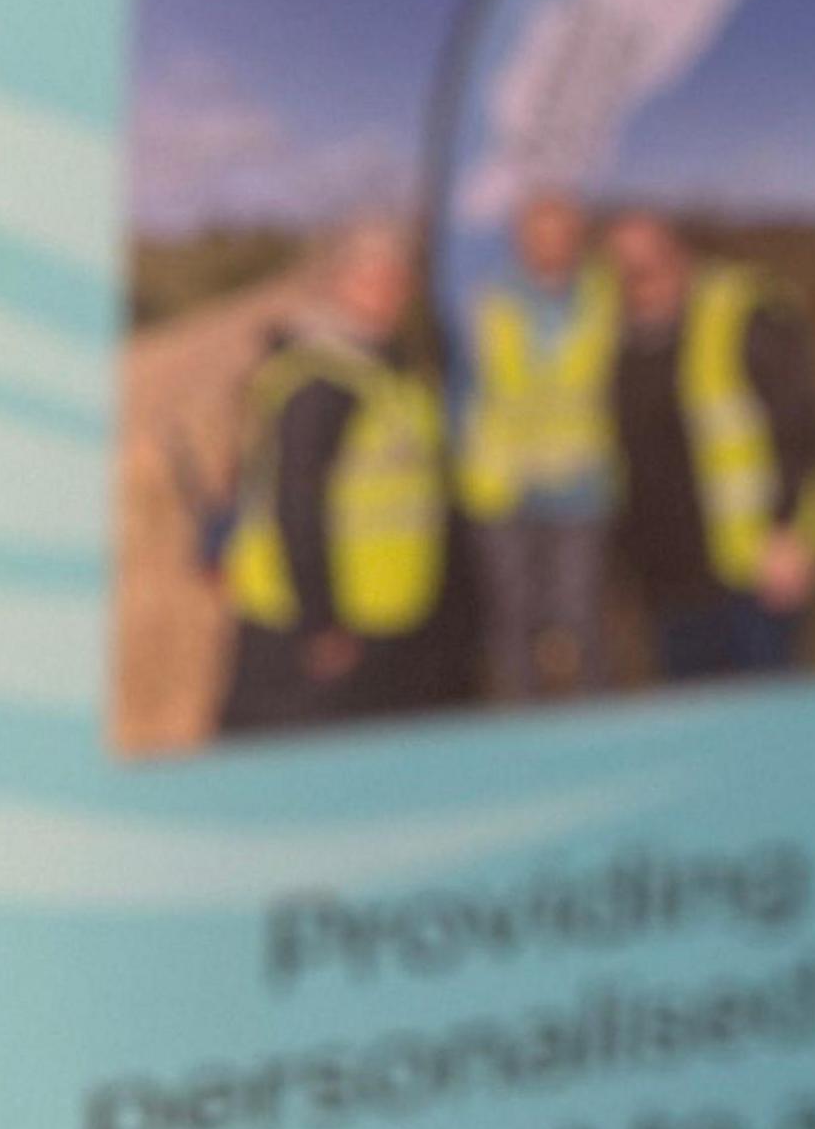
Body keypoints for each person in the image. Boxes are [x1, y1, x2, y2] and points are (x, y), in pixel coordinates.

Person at [218, 218, 444, 736]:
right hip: (311, 630)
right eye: (370, 278)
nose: (386, 293)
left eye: (396, 279)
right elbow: (297, 505)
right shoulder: (324, 378)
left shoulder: (385, 367)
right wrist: (320, 624)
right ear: (337, 284)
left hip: (373, 612)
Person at [602, 210, 815, 681]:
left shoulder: (742, 313)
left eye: (652, 264)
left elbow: (803, 429)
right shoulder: (616, 338)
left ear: (681, 256)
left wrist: (790, 535)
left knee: (767, 728)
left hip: (753, 571)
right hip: (669, 583)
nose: (642, 281)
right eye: (627, 271)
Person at [455, 187, 620, 698]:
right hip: (505, 486)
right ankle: (521, 736)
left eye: (561, 233)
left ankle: (595, 729)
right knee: (513, 619)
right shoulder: (489, 300)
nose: (550, 245)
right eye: (538, 235)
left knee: (581, 615)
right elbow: (474, 387)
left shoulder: (605, 295)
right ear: (519, 241)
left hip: (580, 483)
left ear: (578, 238)